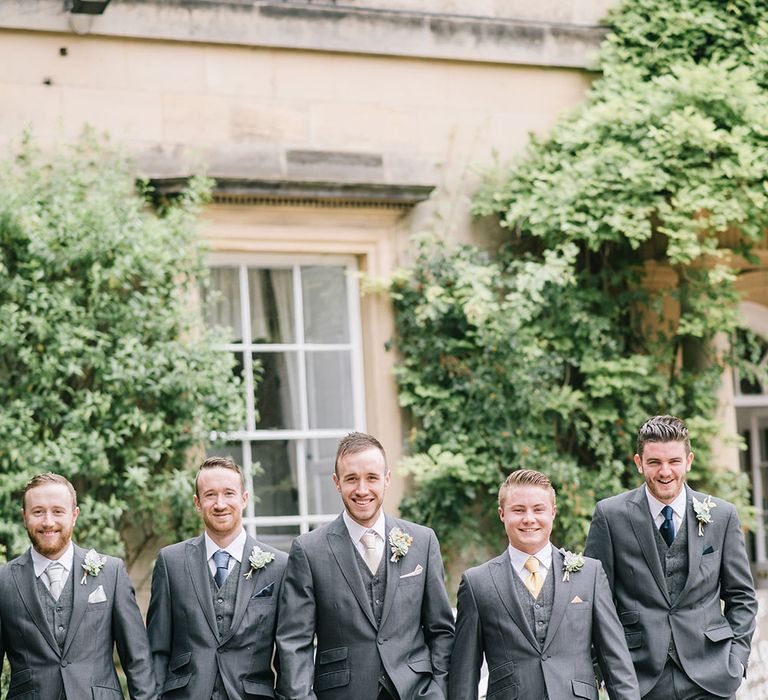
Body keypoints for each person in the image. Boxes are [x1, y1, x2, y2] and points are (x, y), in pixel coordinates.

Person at [585, 414, 758, 699]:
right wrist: (601, 669)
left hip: (712, 675)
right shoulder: (610, 516)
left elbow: (742, 596)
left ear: (688, 461)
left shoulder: (722, 515)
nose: (665, 472)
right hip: (639, 679)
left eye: (674, 462)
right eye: (654, 462)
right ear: (639, 463)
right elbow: (596, 601)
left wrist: (736, 660)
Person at [276, 432, 454, 700]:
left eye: (371, 477)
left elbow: (441, 630)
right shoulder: (309, 550)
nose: (362, 489)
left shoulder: (422, 541)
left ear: (387, 480)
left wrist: (438, 691)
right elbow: (294, 643)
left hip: (415, 693)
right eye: (351, 479)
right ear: (336, 482)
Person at [449, 469, 640, 700]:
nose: (529, 518)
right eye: (518, 510)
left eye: (538, 509)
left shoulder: (589, 574)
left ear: (553, 512)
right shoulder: (477, 583)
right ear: (502, 514)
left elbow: (616, 661)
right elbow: (463, 676)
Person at [0, 472, 156, 699]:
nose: (48, 522)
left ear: (74, 515)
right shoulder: (4, 580)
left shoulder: (111, 572)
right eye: (38, 512)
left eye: (57, 511)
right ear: (25, 517)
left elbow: (137, 659)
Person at [147, 456, 287, 699]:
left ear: (244, 499)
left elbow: (289, 653)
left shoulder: (279, 565)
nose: (220, 504)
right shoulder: (171, 562)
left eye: (229, 493)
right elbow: (157, 650)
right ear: (197, 503)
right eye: (210, 495)